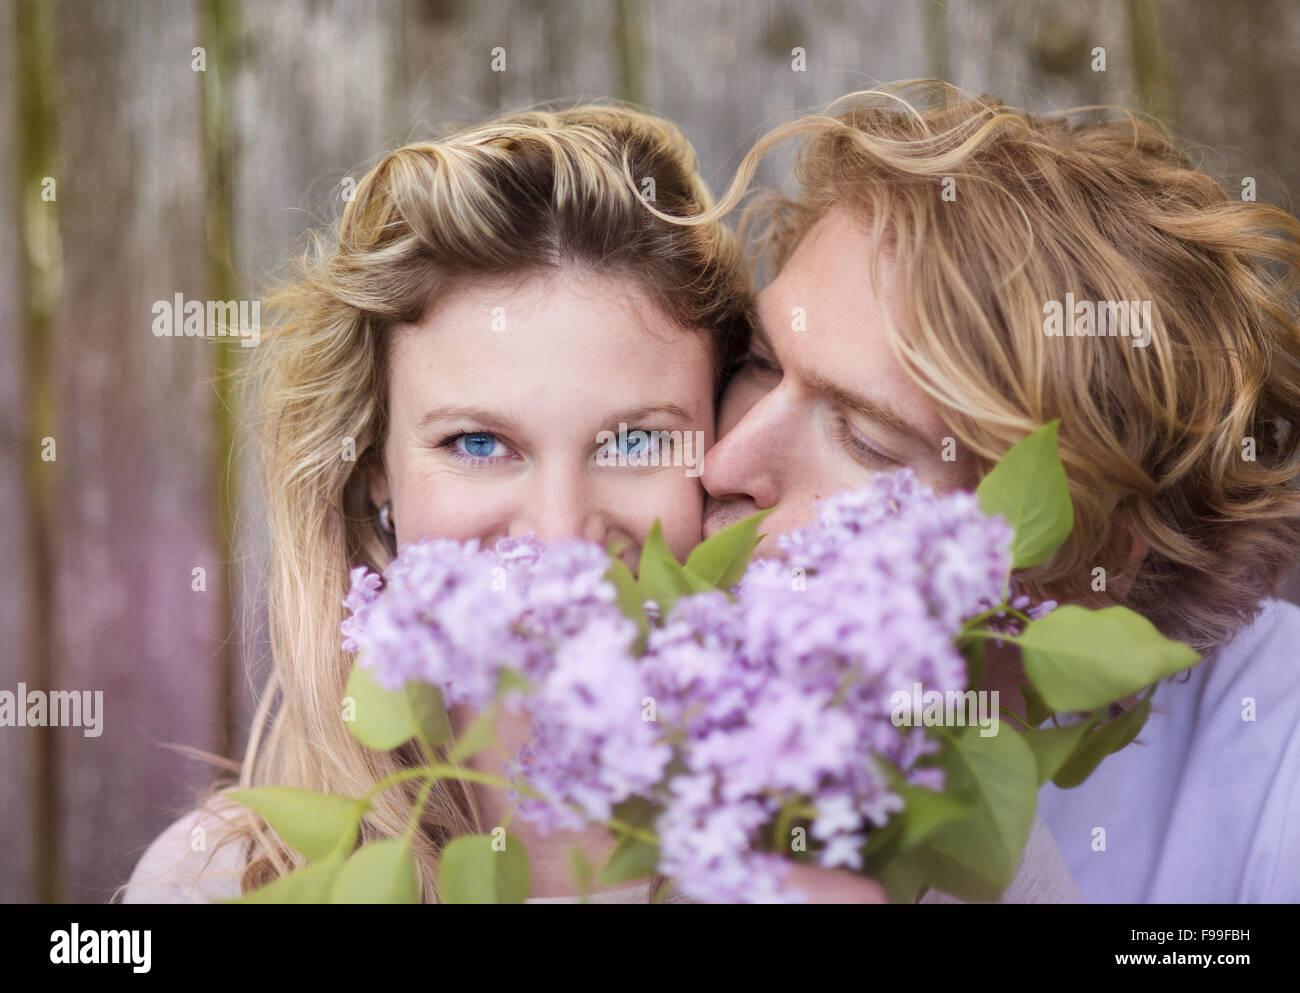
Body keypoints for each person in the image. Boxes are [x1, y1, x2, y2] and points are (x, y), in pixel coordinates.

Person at [692, 81, 1300, 902]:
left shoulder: (1275, 769)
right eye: (760, 363)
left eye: (867, 438)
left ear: (1080, 559)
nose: (723, 464)